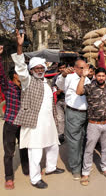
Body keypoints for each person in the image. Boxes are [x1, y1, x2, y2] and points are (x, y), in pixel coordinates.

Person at [11, 30, 64, 189]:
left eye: (42, 68)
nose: (40, 70)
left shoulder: (46, 83)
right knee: (36, 151)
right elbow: (20, 67)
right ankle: (35, 179)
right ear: (32, 70)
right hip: (34, 124)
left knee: (53, 145)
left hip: (49, 122)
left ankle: (51, 167)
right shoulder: (27, 81)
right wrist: (20, 47)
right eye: (37, 68)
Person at [76, 67, 106, 186]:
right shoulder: (90, 87)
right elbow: (78, 92)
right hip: (94, 124)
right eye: (98, 76)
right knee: (89, 149)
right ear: (95, 76)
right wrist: (83, 77)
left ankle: (105, 168)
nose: (101, 78)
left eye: (103, 76)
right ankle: (85, 172)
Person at [55, 59, 91, 180]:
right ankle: (75, 168)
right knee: (74, 142)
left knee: (83, 140)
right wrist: (63, 74)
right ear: (75, 68)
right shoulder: (69, 78)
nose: (83, 70)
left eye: (85, 68)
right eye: (81, 68)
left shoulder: (88, 79)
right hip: (73, 113)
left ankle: (82, 164)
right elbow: (59, 84)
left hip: (86, 114)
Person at [0, 45, 29, 190]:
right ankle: (9, 177)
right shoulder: (8, 86)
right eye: (19, 74)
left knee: (24, 148)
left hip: (22, 124)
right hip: (10, 124)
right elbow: (0, 76)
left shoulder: (24, 88)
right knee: (9, 152)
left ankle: (26, 169)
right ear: (14, 75)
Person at [51, 62, 67, 144]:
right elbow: (53, 87)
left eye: (64, 67)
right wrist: (57, 91)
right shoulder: (56, 77)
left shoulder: (70, 76)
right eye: (61, 68)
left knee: (69, 119)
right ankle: (60, 135)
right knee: (60, 119)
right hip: (59, 100)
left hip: (68, 101)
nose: (62, 69)